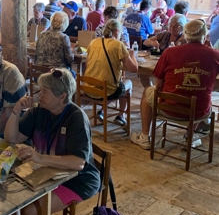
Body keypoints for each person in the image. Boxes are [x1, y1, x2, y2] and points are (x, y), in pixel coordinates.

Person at [1, 69, 100, 215]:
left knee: (32, 210)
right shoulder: (39, 111)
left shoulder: (75, 117)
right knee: (9, 191)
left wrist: (39, 157)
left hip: (78, 180)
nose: (38, 94)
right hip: (48, 173)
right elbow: (12, 138)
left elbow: (79, 163)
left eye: (44, 91)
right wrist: (17, 111)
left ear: (62, 96)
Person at [131, 20, 219, 150]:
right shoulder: (215, 55)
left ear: (185, 34)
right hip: (198, 111)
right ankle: (189, 137)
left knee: (147, 91)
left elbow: (158, 84)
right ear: (205, 35)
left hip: (169, 108)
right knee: (201, 95)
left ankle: (145, 137)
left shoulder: (170, 52)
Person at [84, 20, 138, 126]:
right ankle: (121, 116)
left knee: (115, 83)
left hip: (88, 88)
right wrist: (132, 55)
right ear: (117, 31)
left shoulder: (93, 42)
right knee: (128, 84)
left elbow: (87, 63)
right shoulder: (118, 45)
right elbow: (134, 69)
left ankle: (102, 111)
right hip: (106, 91)